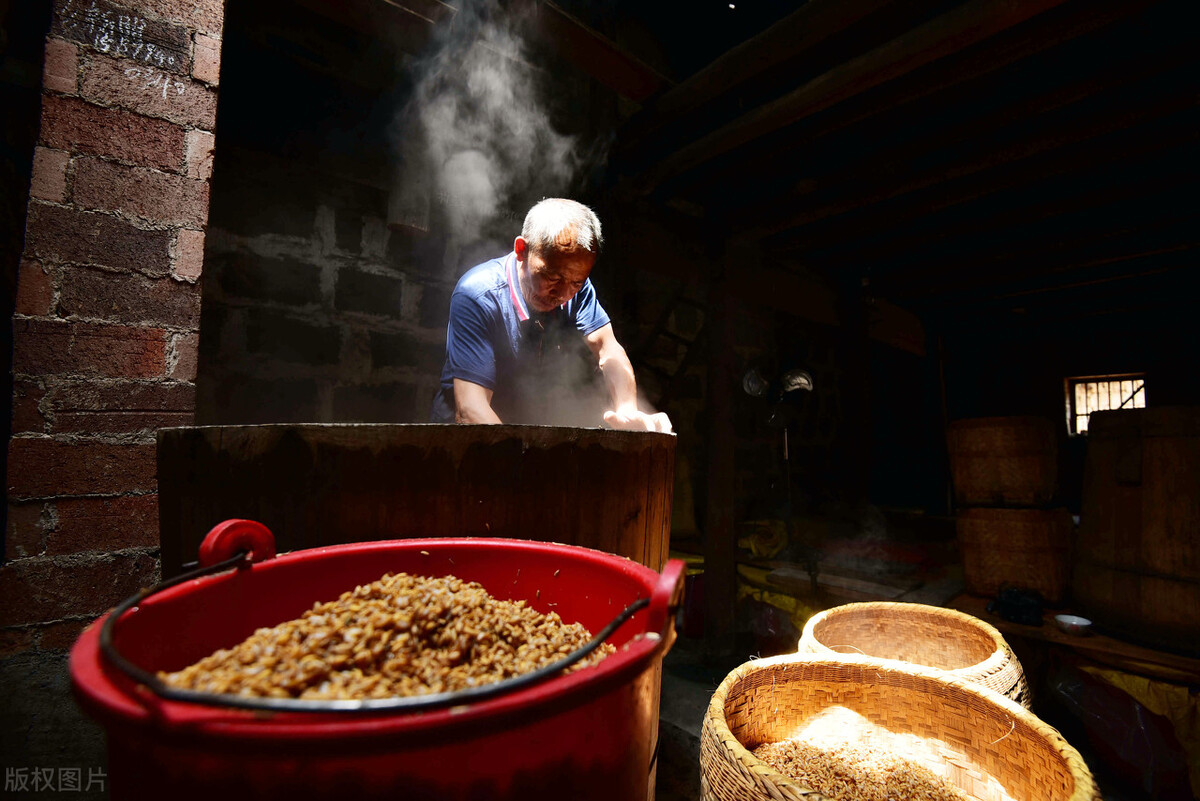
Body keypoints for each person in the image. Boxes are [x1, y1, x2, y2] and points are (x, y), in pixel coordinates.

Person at [430, 198, 672, 432]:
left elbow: (608, 350)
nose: (563, 294)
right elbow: (471, 410)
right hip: (465, 443)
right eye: (552, 278)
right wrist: (524, 462)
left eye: (576, 282)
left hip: (522, 430)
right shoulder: (478, 295)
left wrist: (627, 411)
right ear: (521, 250)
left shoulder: (576, 289)